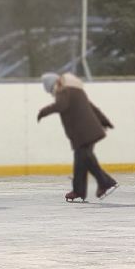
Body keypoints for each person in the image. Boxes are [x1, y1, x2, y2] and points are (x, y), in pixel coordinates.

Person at [37, 71, 118, 203]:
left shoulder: (63, 91)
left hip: (83, 132)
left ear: (54, 85)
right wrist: (104, 121)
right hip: (89, 130)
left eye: (51, 90)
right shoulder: (75, 90)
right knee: (81, 160)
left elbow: (61, 106)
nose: (53, 93)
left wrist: (42, 112)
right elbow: (92, 107)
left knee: (85, 158)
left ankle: (106, 182)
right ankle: (79, 190)